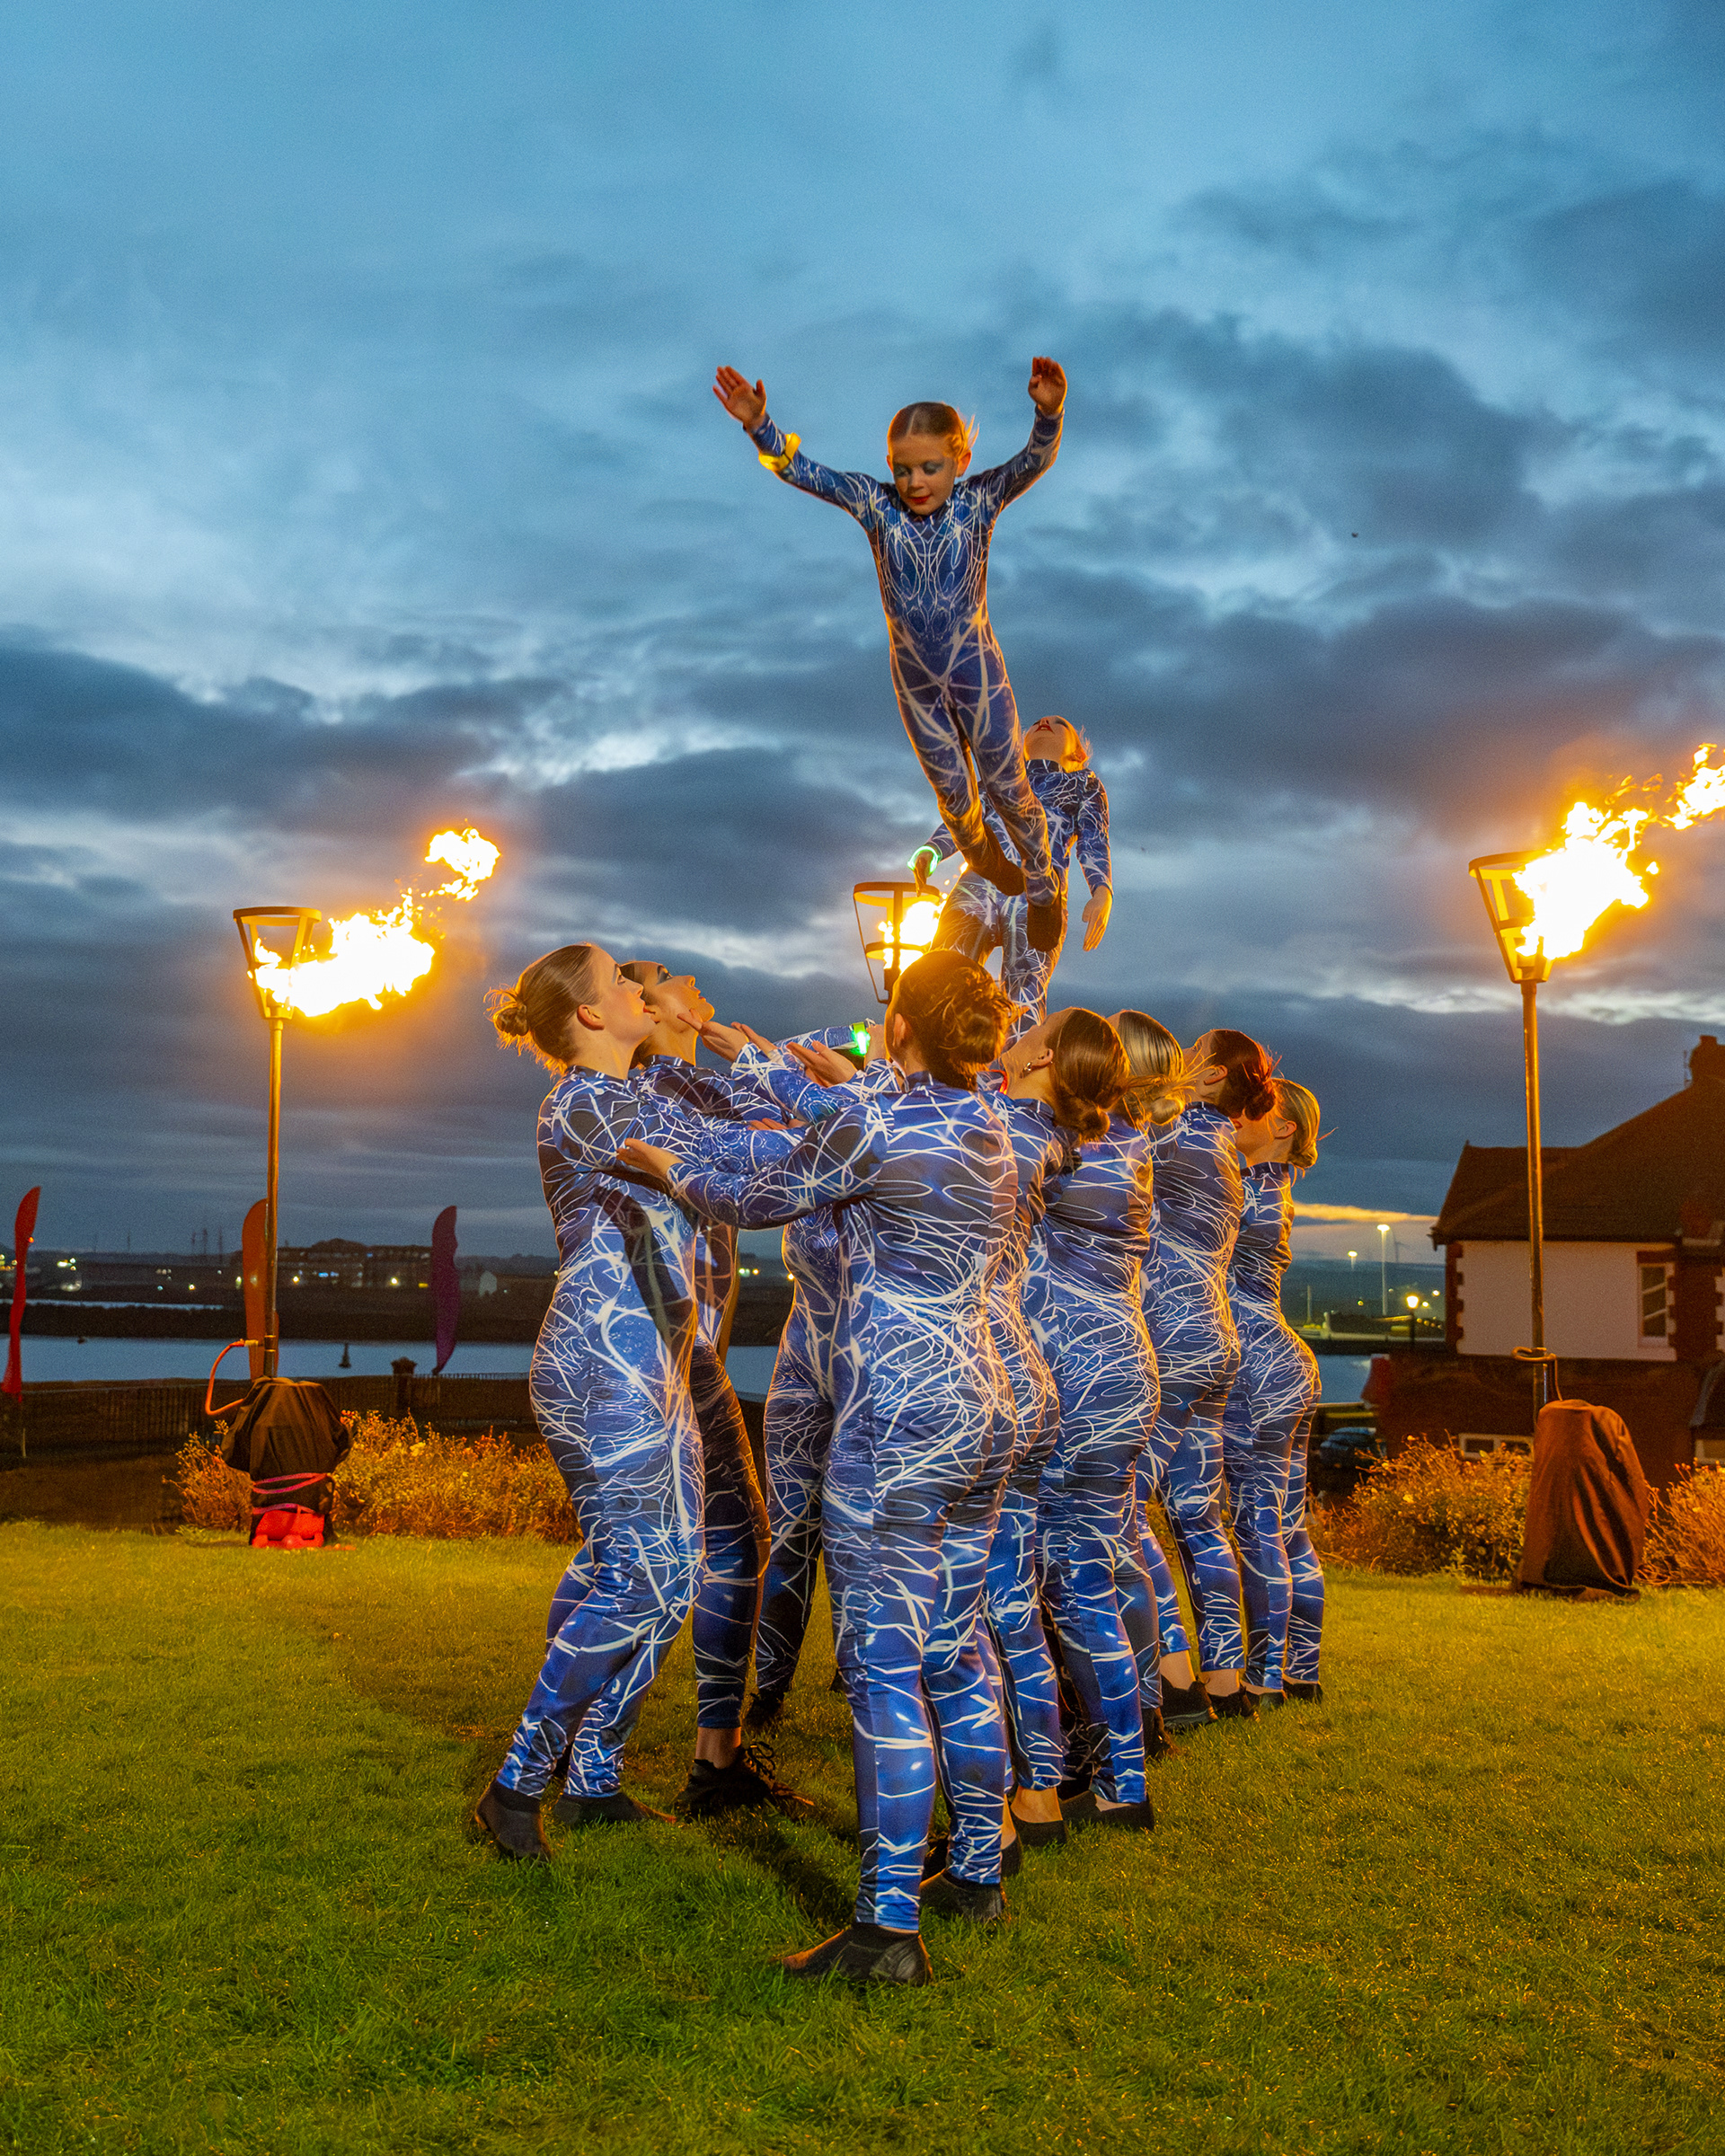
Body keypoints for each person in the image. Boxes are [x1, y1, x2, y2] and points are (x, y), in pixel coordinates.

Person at [622, 951, 1018, 1987]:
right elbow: (839, 1105)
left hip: (895, 1413)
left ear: (898, 1029)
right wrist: (767, 1063)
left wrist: (664, 1167)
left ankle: (886, 1931)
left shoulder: (876, 1124)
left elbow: (759, 1194)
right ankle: (978, 1866)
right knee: (958, 1644)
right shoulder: (987, 1125)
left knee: (885, 1665)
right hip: (983, 1404)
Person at [471, 946, 880, 1862]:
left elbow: (743, 1134)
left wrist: (832, 1071)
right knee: (647, 1577)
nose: (640, 992)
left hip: (653, 1361)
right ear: (586, 1018)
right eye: (622, 984)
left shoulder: (642, 1095)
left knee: (664, 1572)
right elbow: (730, 1164)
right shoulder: (584, 1105)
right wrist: (848, 1149)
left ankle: (595, 1782)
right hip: (601, 1365)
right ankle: (515, 1787)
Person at [712, 358, 1069, 952]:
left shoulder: (978, 503)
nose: (915, 482)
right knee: (956, 804)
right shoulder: (878, 507)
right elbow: (803, 472)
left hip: (976, 673)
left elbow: (1034, 461)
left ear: (960, 462)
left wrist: (1049, 411)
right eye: (902, 470)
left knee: (1009, 791)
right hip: (916, 684)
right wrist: (760, 425)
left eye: (931, 467)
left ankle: (1040, 884)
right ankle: (983, 857)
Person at [613, 959, 812, 1813]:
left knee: (685, 1549)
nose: (692, 977)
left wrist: (781, 1064)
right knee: (676, 1552)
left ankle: (703, 1756)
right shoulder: (647, 1095)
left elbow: (779, 1127)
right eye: (665, 976)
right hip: (659, 1359)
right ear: (642, 1007)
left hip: (691, 1352)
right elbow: (774, 1154)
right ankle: (682, 1760)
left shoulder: (690, 1089)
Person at [1022, 1012, 1162, 1832]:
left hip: (1075, 1371)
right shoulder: (1127, 1145)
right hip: (1123, 1360)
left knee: (1068, 1584)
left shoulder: (1055, 1145)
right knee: (1096, 1578)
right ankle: (1114, 1765)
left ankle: (1107, 1780)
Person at [1132, 1026, 1277, 1727]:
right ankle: (1226, 1680)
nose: (1179, 1063)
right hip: (1215, 1340)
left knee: (1122, 1508)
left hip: (1170, 1339)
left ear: (1214, 1075)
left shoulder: (1176, 1136)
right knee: (1197, 1514)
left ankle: (1174, 1679)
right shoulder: (1222, 1149)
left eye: (1191, 1055)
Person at [1224, 1077, 1324, 1706]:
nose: (1237, 1115)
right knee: (1289, 1526)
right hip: (1289, 1362)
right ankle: (1301, 1669)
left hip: (1257, 1368)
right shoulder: (1276, 1192)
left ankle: (1261, 1679)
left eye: (1255, 1109)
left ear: (1283, 1128)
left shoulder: (1247, 1193)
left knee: (1258, 1523)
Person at [918, 715, 1112, 1037]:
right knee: (943, 973)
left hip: (1039, 896)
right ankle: (932, 1062)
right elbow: (966, 817)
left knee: (1026, 988)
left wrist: (1102, 889)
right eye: (1037, 721)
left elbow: (1094, 838)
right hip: (979, 884)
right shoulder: (999, 780)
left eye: (1059, 723)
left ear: (1077, 753)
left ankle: (1012, 1072)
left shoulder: (1084, 783)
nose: (1044, 723)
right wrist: (933, 849)